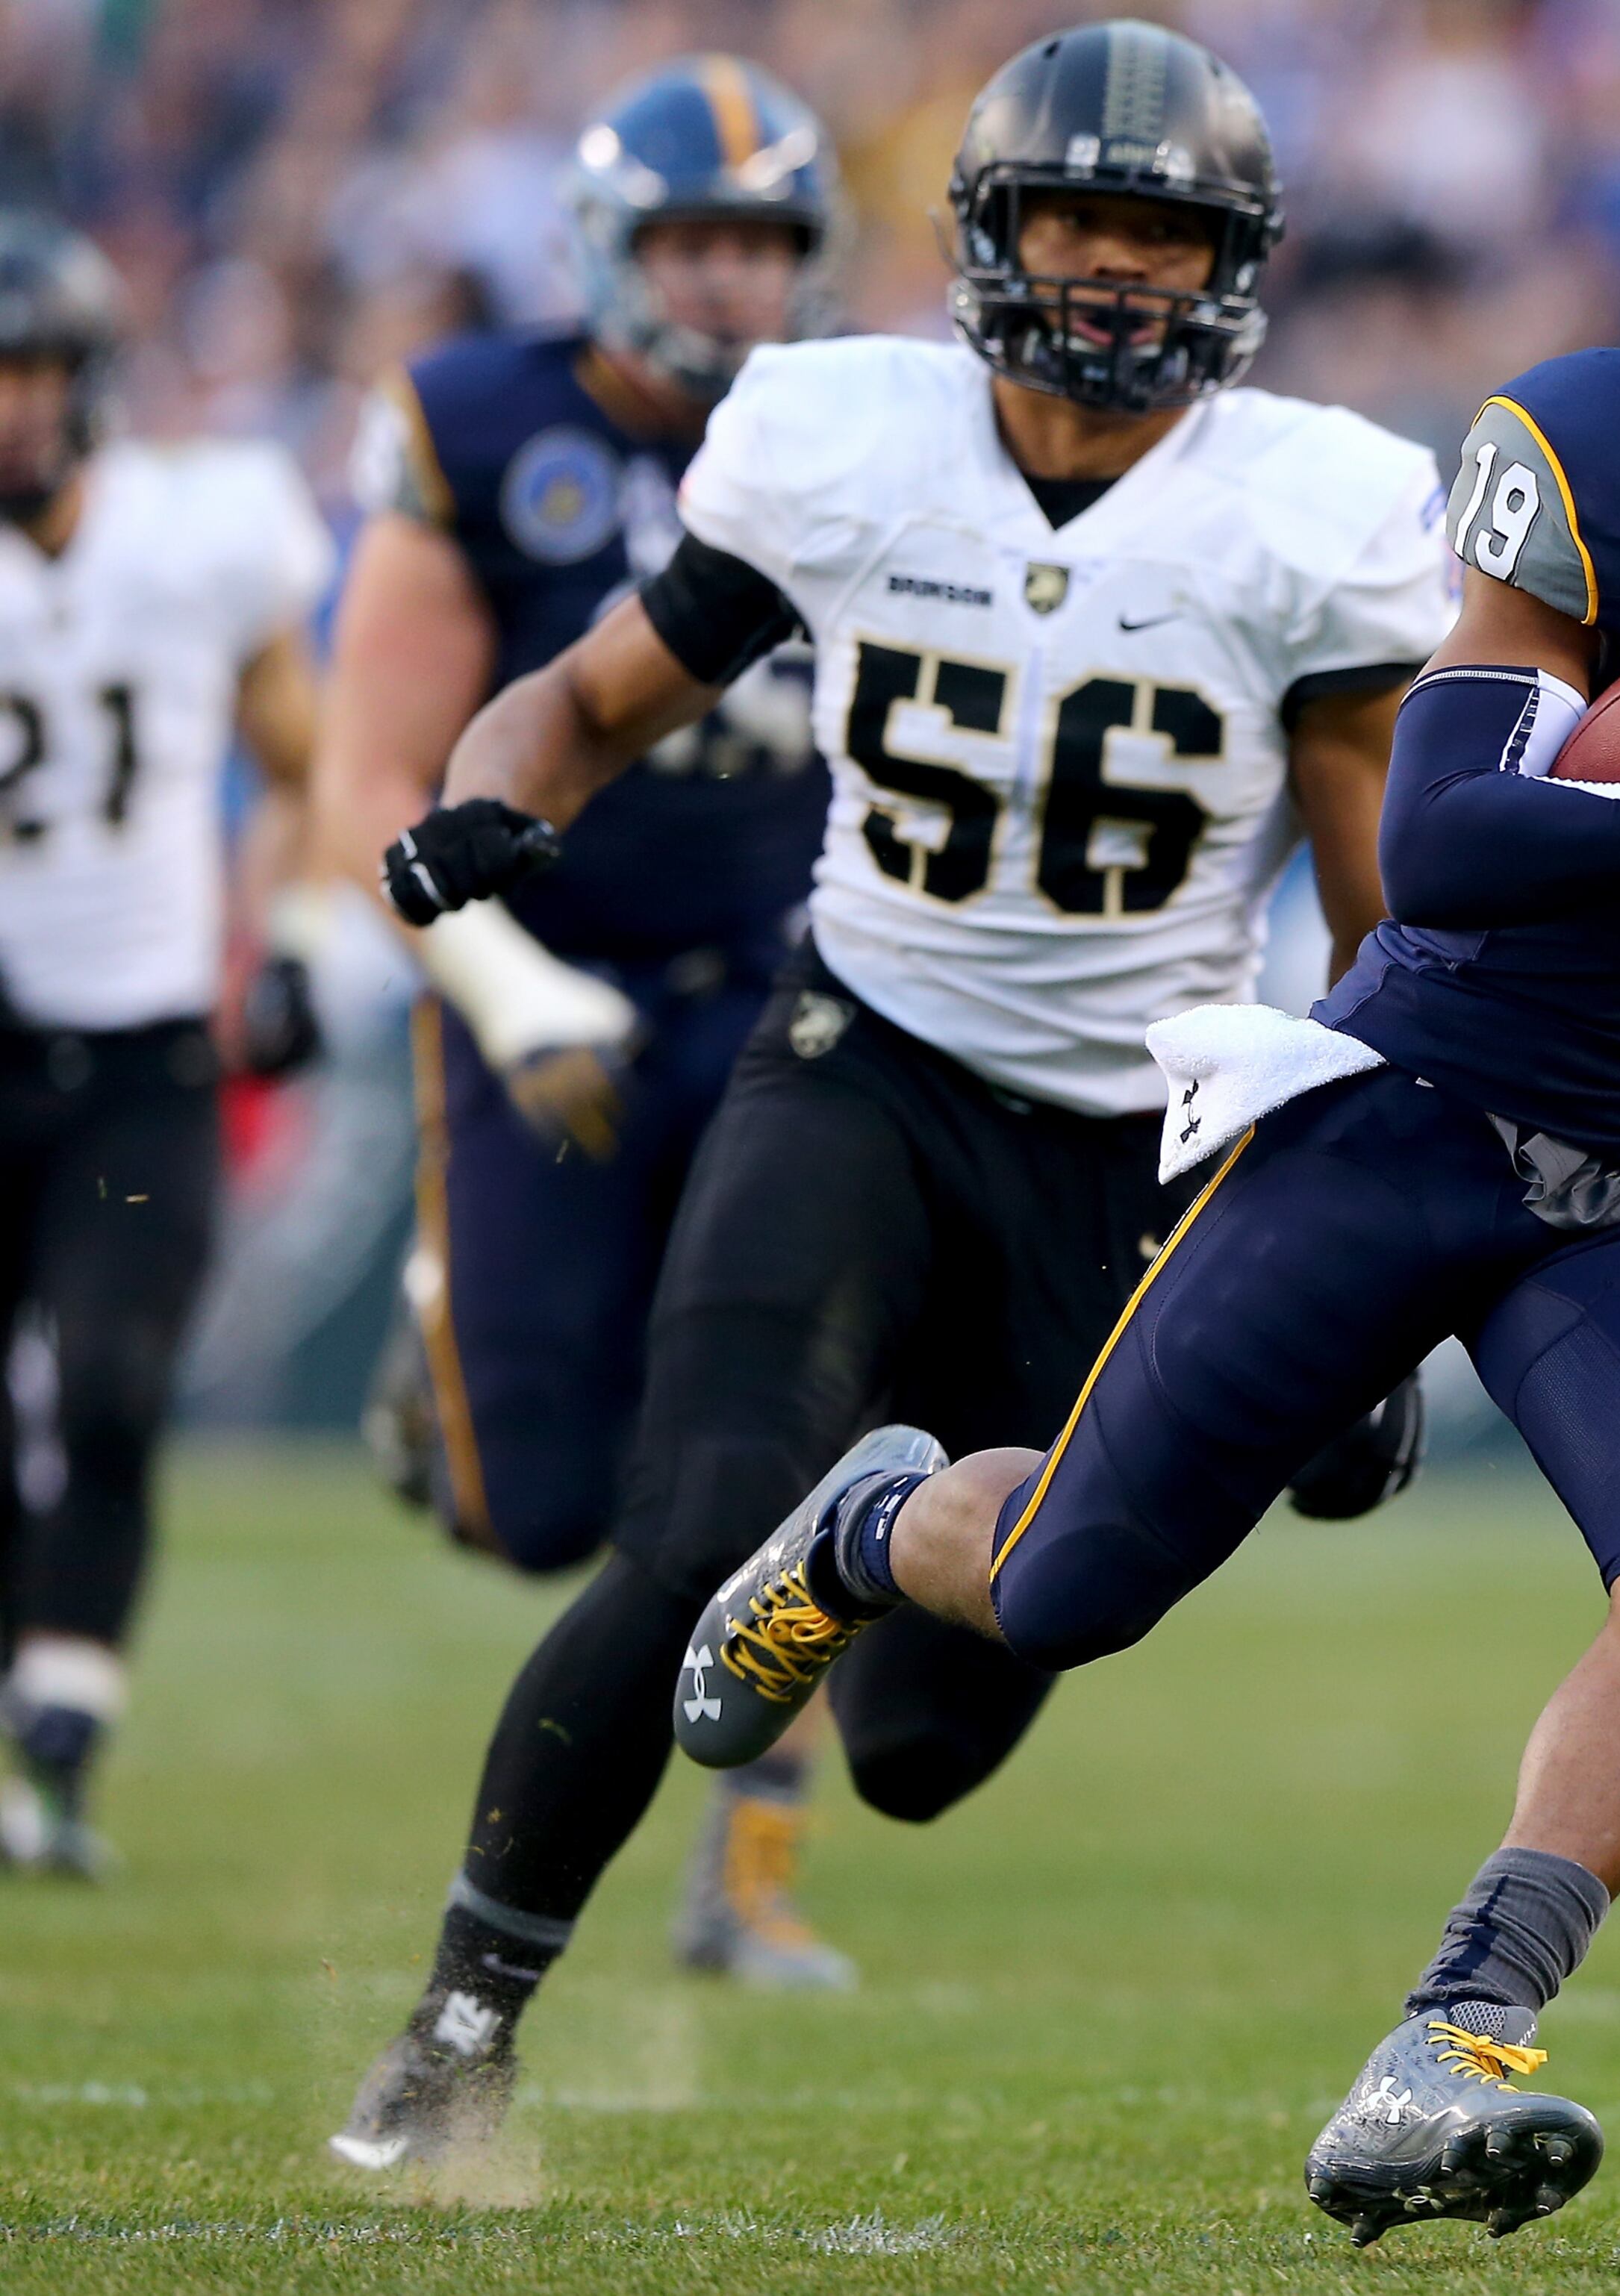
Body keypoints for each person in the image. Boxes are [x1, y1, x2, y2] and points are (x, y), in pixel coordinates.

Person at [666, 51, 1620, 2243]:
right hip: (1424, 1106)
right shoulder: (1600, 453)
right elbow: (1446, 838)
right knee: (1071, 1582)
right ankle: (882, 1518)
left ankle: (1451, 2040)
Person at [331, 19, 1445, 2173]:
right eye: (1080, 221)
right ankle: (455, 2029)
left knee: (935, 1739)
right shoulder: (849, 439)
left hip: (1130, 1139)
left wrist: (1363, 1271)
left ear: (1236, 262)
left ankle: (857, 1538)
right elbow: (586, 697)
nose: (1120, 271)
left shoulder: (1314, 511)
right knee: (679, 1533)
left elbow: (1379, 933)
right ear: (990, 233)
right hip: (860, 1058)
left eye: (1166, 234)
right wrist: (489, 807)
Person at [314, 58, 853, 1987]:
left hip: (793, 990)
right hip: (543, 984)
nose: (726, 281)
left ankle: (754, 1863)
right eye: (691, 241)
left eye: (761, 245)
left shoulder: (872, 426)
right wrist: (507, 980)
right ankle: (443, 1353)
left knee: (784, 1436)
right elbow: (369, 775)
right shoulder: (481, 424)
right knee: (539, 1506)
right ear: (607, 249)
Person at [0, 213, 334, 1876]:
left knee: (117, 1382)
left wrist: (281, 933)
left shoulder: (201, 534)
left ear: (87, 384)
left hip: (146, 1052)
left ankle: (62, 1729)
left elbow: (300, 760)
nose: (9, 408)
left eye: (30, 372)